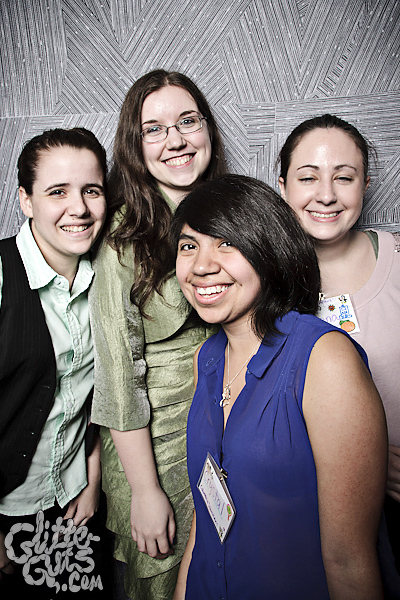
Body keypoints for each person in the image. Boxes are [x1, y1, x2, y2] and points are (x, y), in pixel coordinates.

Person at [171, 174, 387, 600]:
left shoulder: (325, 359)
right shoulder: (206, 359)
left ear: (268, 249)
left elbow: (348, 561)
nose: (201, 266)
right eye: (188, 245)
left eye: (227, 243)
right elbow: (207, 514)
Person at [89, 69, 227, 600]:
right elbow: (118, 378)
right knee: (166, 581)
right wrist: (145, 490)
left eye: (188, 121)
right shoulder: (121, 239)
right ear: (135, 145)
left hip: (227, 428)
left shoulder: (235, 215)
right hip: (155, 448)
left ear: (208, 129)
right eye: (154, 129)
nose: (176, 140)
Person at [277, 114, 400, 584]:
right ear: (283, 186)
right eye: (308, 177)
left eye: (344, 177)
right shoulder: (261, 283)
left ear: (365, 185)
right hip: (314, 519)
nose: (326, 195)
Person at [0, 128, 109, 598]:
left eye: (91, 190)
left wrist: (92, 477)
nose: (78, 208)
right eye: (57, 192)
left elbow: (106, 393)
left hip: (73, 505)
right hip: (8, 509)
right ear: (26, 200)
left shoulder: (108, 278)